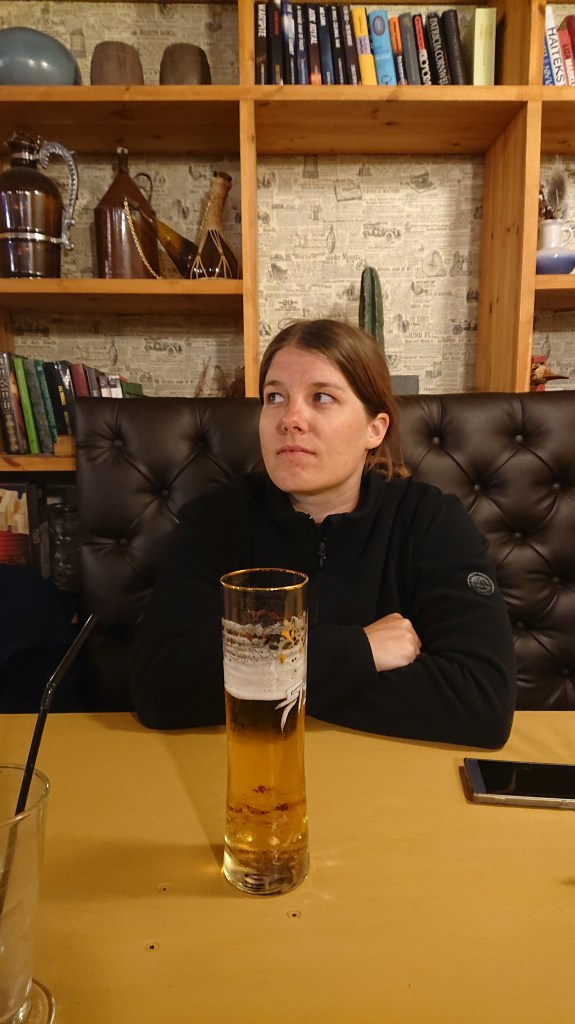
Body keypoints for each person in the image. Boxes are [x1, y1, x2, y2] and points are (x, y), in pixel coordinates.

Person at [131, 319, 516, 747]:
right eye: (275, 397)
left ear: (375, 429)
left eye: (322, 397)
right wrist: (359, 652)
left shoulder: (432, 522)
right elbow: (160, 686)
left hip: (388, 772)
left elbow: (481, 702)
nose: (290, 419)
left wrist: (263, 679)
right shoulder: (216, 519)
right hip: (251, 764)